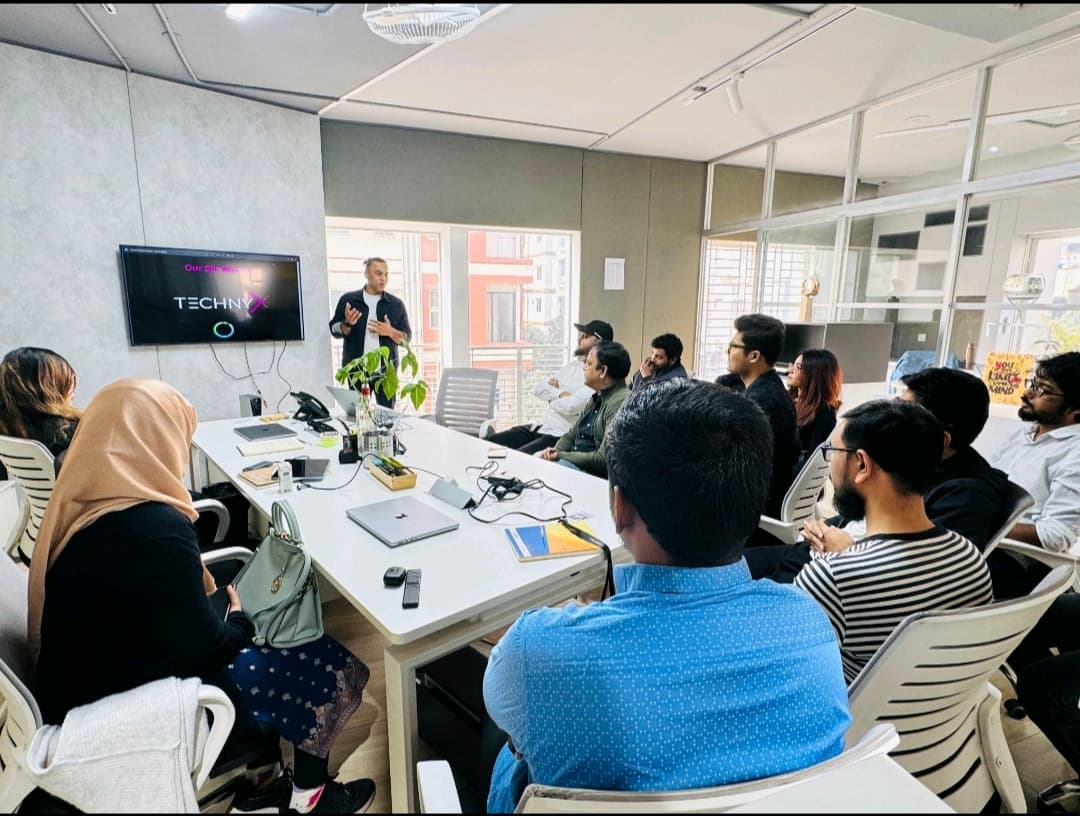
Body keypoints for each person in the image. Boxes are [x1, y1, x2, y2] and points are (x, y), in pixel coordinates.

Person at [483, 380, 851, 813]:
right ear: (751, 503)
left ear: (619, 507)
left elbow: (508, 714)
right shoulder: (810, 624)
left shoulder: (539, 651)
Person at [28, 379, 376, 815]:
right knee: (329, 668)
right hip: (138, 706)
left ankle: (263, 783)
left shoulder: (86, 507)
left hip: (90, 688)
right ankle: (312, 800)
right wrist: (241, 618)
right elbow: (204, 650)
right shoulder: (156, 530)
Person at [745, 368, 1012, 584]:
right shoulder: (906, 466)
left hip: (835, 573)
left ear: (940, 438)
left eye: (902, 415)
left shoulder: (965, 496)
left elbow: (920, 575)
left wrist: (846, 551)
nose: (886, 419)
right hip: (820, 554)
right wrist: (825, 529)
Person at [794, 400, 993, 682]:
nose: (829, 466)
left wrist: (838, 561)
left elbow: (790, 673)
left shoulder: (832, 578)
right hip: (939, 719)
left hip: (854, 721)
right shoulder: (970, 557)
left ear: (862, 464)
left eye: (832, 452)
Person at [989, 352, 1080, 556]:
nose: (1028, 394)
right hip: (980, 540)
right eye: (1033, 384)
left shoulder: (1075, 454)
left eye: (1043, 391)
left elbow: (1055, 536)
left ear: (1076, 410)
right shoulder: (1026, 432)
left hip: (1013, 560)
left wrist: (982, 523)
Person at [487, 319, 613, 454]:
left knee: (514, 458)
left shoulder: (597, 376)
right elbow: (539, 389)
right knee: (486, 443)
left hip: (559, 436)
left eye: (585, 336)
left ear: (599, 343)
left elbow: (571, 407)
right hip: (540, 428)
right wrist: (560, 394)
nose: (579, 339)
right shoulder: (572, 366)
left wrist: (551, 396)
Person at [718, 314, 800, 518]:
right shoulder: (768, 389)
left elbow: (734, 465)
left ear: (754, 356)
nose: (727, 351)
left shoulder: (762, 402)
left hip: (754, 510)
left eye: (733, 346)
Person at [328, 257, 412, 409]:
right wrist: (346, 324)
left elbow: (407, 338)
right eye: (378, 274)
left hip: (386, 374)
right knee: (358, 416)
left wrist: (390, 331)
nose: (383, 279)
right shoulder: (349, 300)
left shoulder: (396, 304)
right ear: (367, 274)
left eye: (386, 275)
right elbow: (334, 329)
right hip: (357, 371)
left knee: (387, 417)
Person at [538, 341, 631, 477]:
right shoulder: (596, 397)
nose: (583, 368)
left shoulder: (620, 403)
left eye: (588, 363)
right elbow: (571, 434)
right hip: (574, 464)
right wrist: (555, 451)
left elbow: (602, 460)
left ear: (603, 371)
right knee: (536, 460)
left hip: (593, 475)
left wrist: (561, 455)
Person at [0, 347, 82, 480]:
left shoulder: (9, 431)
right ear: (47, 387)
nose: (72, 390)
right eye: (66, 381)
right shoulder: (66, 433)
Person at [787, 348, 842, 462]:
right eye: (793, 365)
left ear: (814, 374)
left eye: (798, 367)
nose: (790, 371)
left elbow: (812, 459)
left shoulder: (825, 411)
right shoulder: (786, 398)